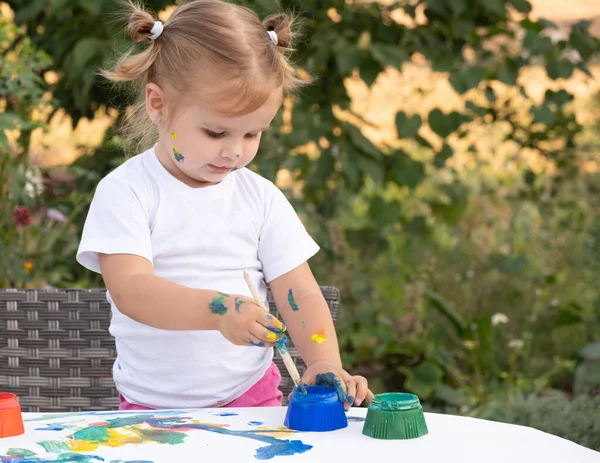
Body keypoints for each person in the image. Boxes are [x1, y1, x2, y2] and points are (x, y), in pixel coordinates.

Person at [77, 0, 372, 411]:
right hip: (153, 410)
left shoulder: (260, 198)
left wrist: (323, 361)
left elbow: (298, 292)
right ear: (158, 104)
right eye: (216, 132)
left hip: (251, 399)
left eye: (253, 134)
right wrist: (218, 309)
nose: (235, 152)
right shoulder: (127, 192)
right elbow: (131, 290)